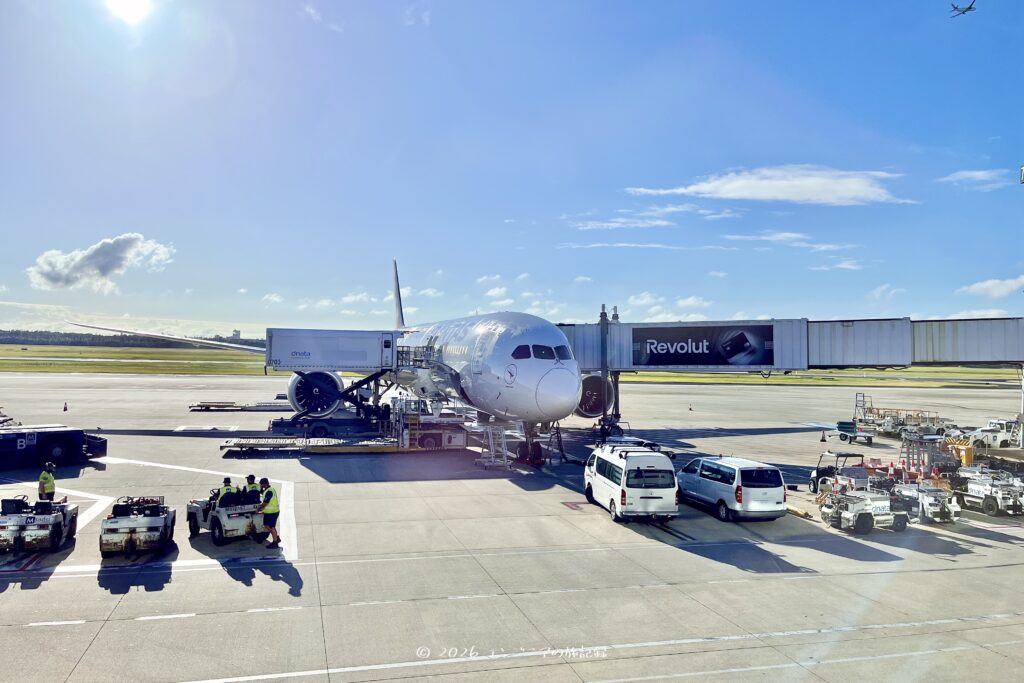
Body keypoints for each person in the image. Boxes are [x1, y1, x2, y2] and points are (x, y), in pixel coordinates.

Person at [257, 477, 281, 549]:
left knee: (270, 527)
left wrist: (259, 509)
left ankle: (275, 543)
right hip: (271, 512)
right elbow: (262, 493)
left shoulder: (269, 491)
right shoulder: (268, 490)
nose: (260, 486)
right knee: (268, 526)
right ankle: (276, 538)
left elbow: (265, 503)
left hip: (272, 512)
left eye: (261, 484)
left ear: (264, 484)